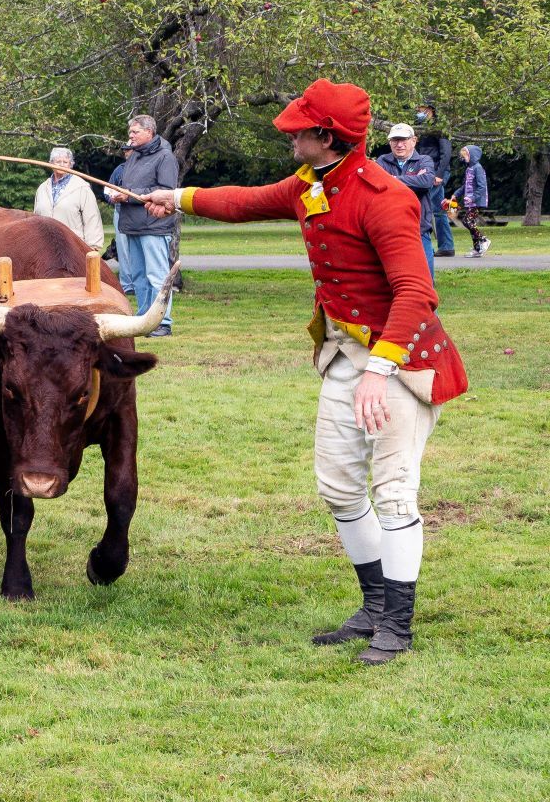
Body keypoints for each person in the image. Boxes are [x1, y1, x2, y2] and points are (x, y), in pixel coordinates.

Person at [141, 78, 464, 666]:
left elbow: (417, 292)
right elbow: (246, 202)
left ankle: (398, 626)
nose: (288, 135)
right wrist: (178, 196)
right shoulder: (311, 184)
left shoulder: (384, 196)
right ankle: (372, 607)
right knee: (340, 487)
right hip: (345, 355)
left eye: (298, 129)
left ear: (327, 135)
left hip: (401, 361)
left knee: (393, 494)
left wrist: (379, 372)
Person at [102, 115, 179, 337]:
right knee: (138, 276)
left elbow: (165, 191)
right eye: (130, 132)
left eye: (135, 132)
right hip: (131, 225)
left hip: (154, 226)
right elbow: (128, 187)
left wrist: (130, 197)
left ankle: (162, 322)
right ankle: (145, 319)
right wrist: (118, 195)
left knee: (157, 276)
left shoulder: (165, 157)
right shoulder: (133, 157)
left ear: (149, 132)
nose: (131, 136)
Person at [375, 124, 442, 279]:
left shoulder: (424, 160)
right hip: (389, 229)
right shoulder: (382, 161)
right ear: (390, 142)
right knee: (391, 279)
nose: (399, 144)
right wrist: (413, 181)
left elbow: (426, 182)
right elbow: (377, 184)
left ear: (414, 140)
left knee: (425, 279)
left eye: (404, 140)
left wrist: (392, 180)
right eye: (395, 140)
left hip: (419, 228)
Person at [33, 147, 104, 250]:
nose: (61, 165)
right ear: (50, 163)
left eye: (65, 162)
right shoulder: (42, 188)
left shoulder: (82, 187)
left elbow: (92, 218)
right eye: (58, 161)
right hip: (45, 245)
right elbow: (35, 218)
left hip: (73, 246)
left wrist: (93, 247)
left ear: (70, 165)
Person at [413, 104, 455, 257]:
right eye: (417, 110)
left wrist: (439, 174)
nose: (418, 113)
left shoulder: (440, 128)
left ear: (430, 110)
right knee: (439, 211)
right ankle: (447, 246)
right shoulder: (421, 128)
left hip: (436, 172)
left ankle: (423, 247)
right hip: (428, 172)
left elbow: (446, 153)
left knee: (423, 206)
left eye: (421, 110)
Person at [453, 144, 492, 257]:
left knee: (467, 221)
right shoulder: (469, 169)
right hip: (470, 201)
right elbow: (465, 186)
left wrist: (473, 197)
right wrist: (455, 194)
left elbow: (482, 187)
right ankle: (477, 249)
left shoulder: (478, 168)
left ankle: (484, 240)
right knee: (470, 223)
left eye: (465, 155)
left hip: (477, 201)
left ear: (472, 155)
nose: (463, 158)